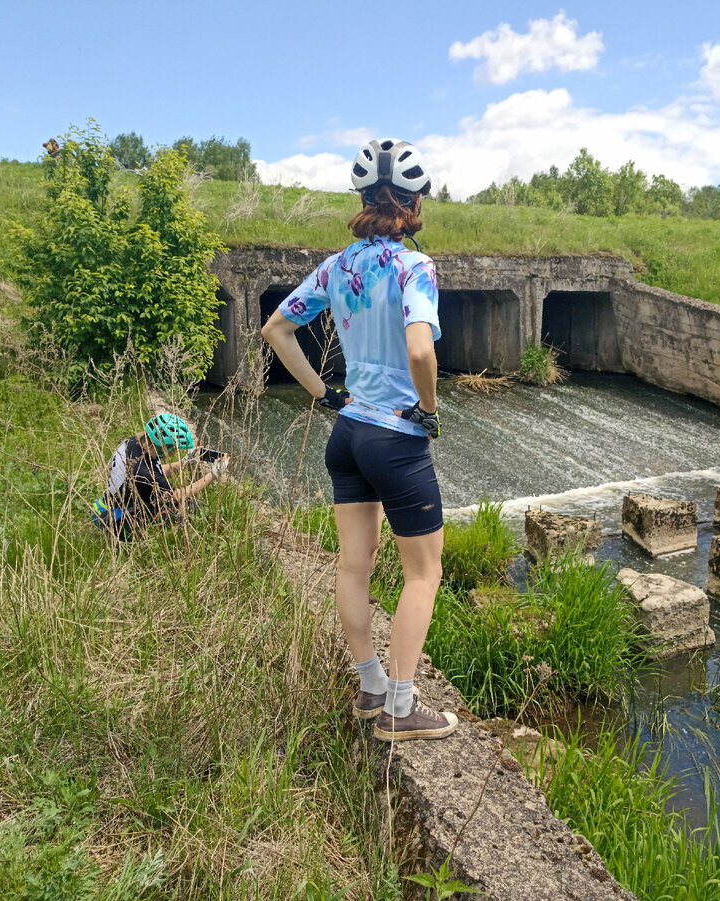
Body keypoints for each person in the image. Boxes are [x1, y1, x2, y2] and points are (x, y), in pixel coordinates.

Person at [260, 138, 455, 742]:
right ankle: (402, 706)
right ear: (415, 202)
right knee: (424, 574)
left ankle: (371, 686)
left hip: (346, 433)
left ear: (364, 198)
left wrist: (323, 394)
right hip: (394, 436)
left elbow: (276, 329)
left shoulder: (337, 265)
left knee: (354, 565)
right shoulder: (414, 268)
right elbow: (421, 348)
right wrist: (428, 410)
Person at [93, 412, 230, 540]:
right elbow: (179, 495)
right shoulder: (144, 473)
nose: (172, 452)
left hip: (104, 506)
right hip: (115, 520)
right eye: (172, 448)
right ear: (163, 445)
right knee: (190, 507)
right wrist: (213, 474)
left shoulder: (134, 444)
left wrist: (184, 462)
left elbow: (156, 472)